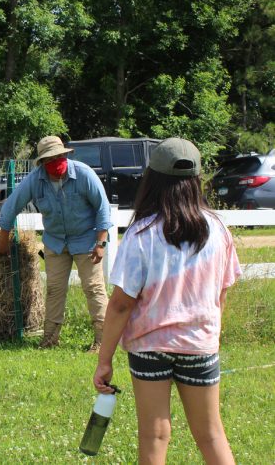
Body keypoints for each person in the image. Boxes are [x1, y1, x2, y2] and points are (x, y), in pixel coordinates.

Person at [92, 138, 241, 464]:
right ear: (197, 179)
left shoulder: (141, 234)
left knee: (155, 435)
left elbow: (120, 304)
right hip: (200, 346)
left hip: (149, 348)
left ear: (152, 179)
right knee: (212, 434)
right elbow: (221, 294)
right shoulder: (219, 230)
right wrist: (210, 338)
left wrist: (104, 360)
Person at [0, 135, 112, 352]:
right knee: (54, 289)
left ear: (65, 155)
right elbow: (11, 206)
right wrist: (3, 239)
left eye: (59, 156)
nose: (56, 162)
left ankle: (102, 341)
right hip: (56, 242)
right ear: (42, 163)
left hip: (87, 240)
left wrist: (101, 242)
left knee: (93, 288)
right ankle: (50, 338)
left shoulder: (84, 174)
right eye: (50, 159)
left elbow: (102, 208)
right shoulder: (35, 179)